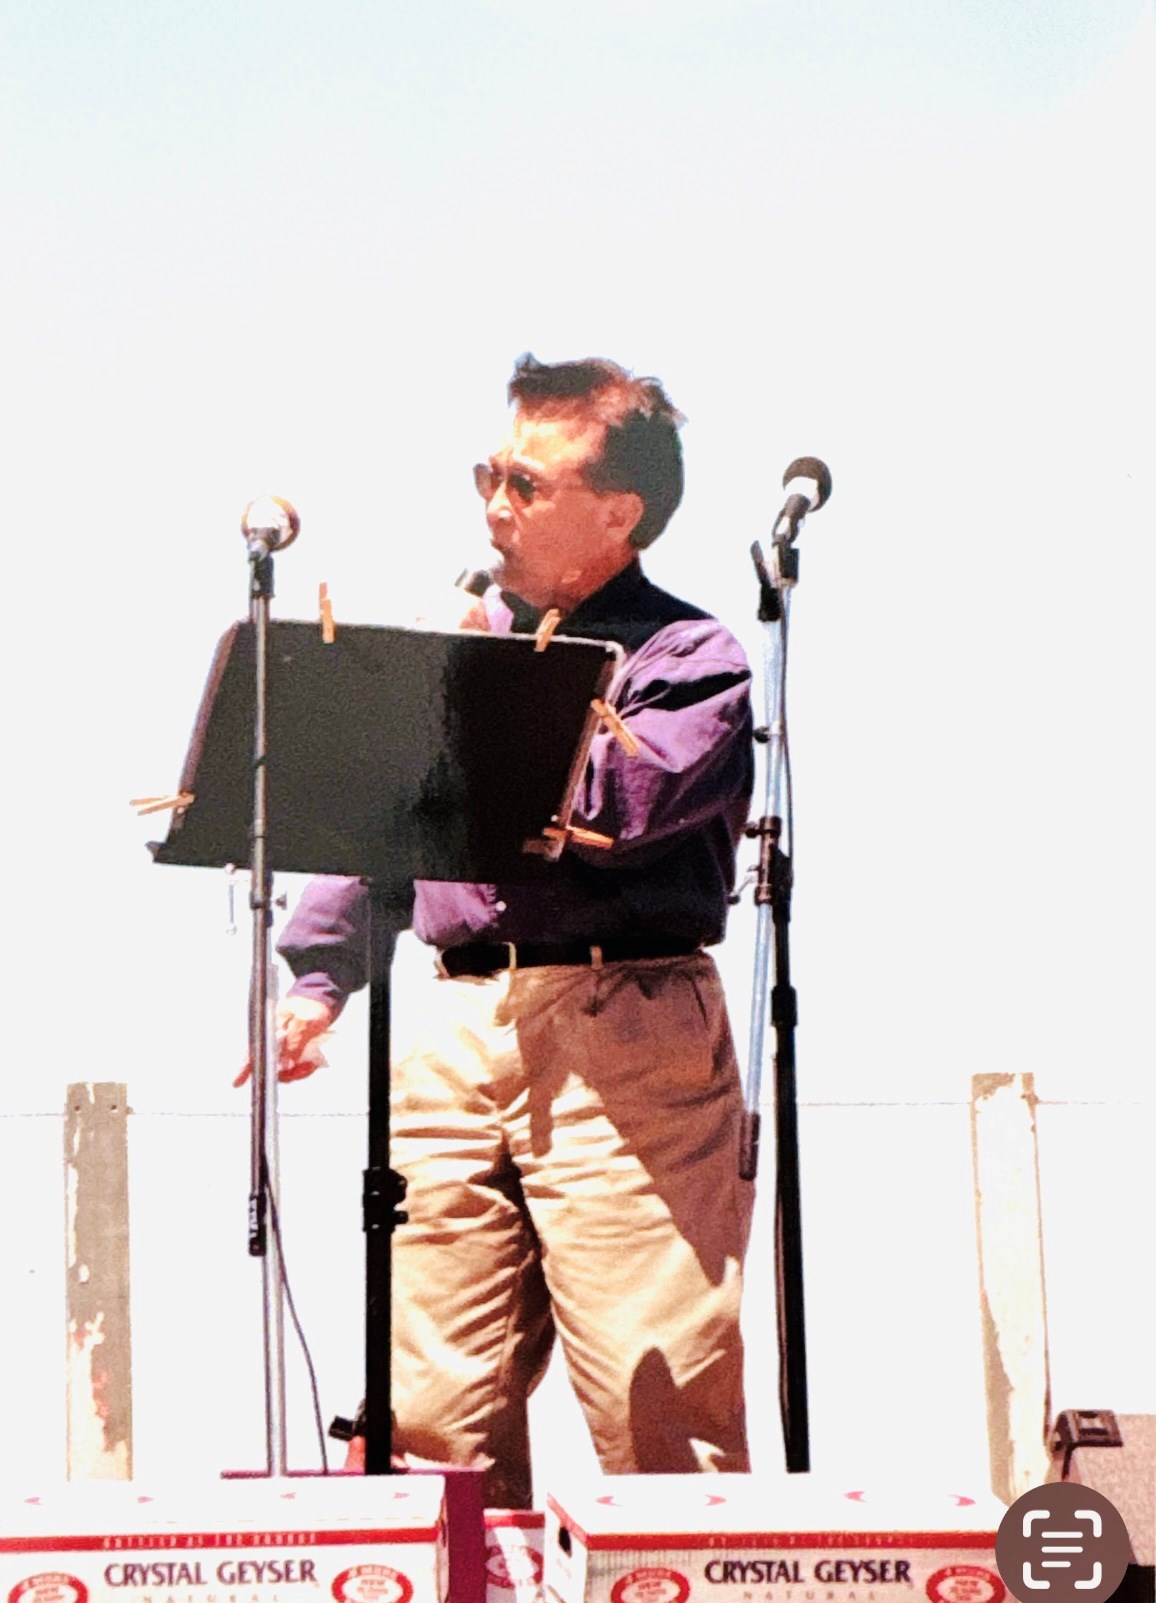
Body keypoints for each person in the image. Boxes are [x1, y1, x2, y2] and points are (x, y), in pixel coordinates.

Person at [270, 354, 756, 1508]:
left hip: (622, 1023)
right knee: (430, 1406)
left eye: (524, 483)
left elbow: (609, 809)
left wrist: (459, 690)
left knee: (658, 1390)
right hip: (450, 1015)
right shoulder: (469, 633)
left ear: (617, 512)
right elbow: (379, 819)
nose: (492, 502)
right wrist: (316, 977)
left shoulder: (692, 660)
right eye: (487, 472)